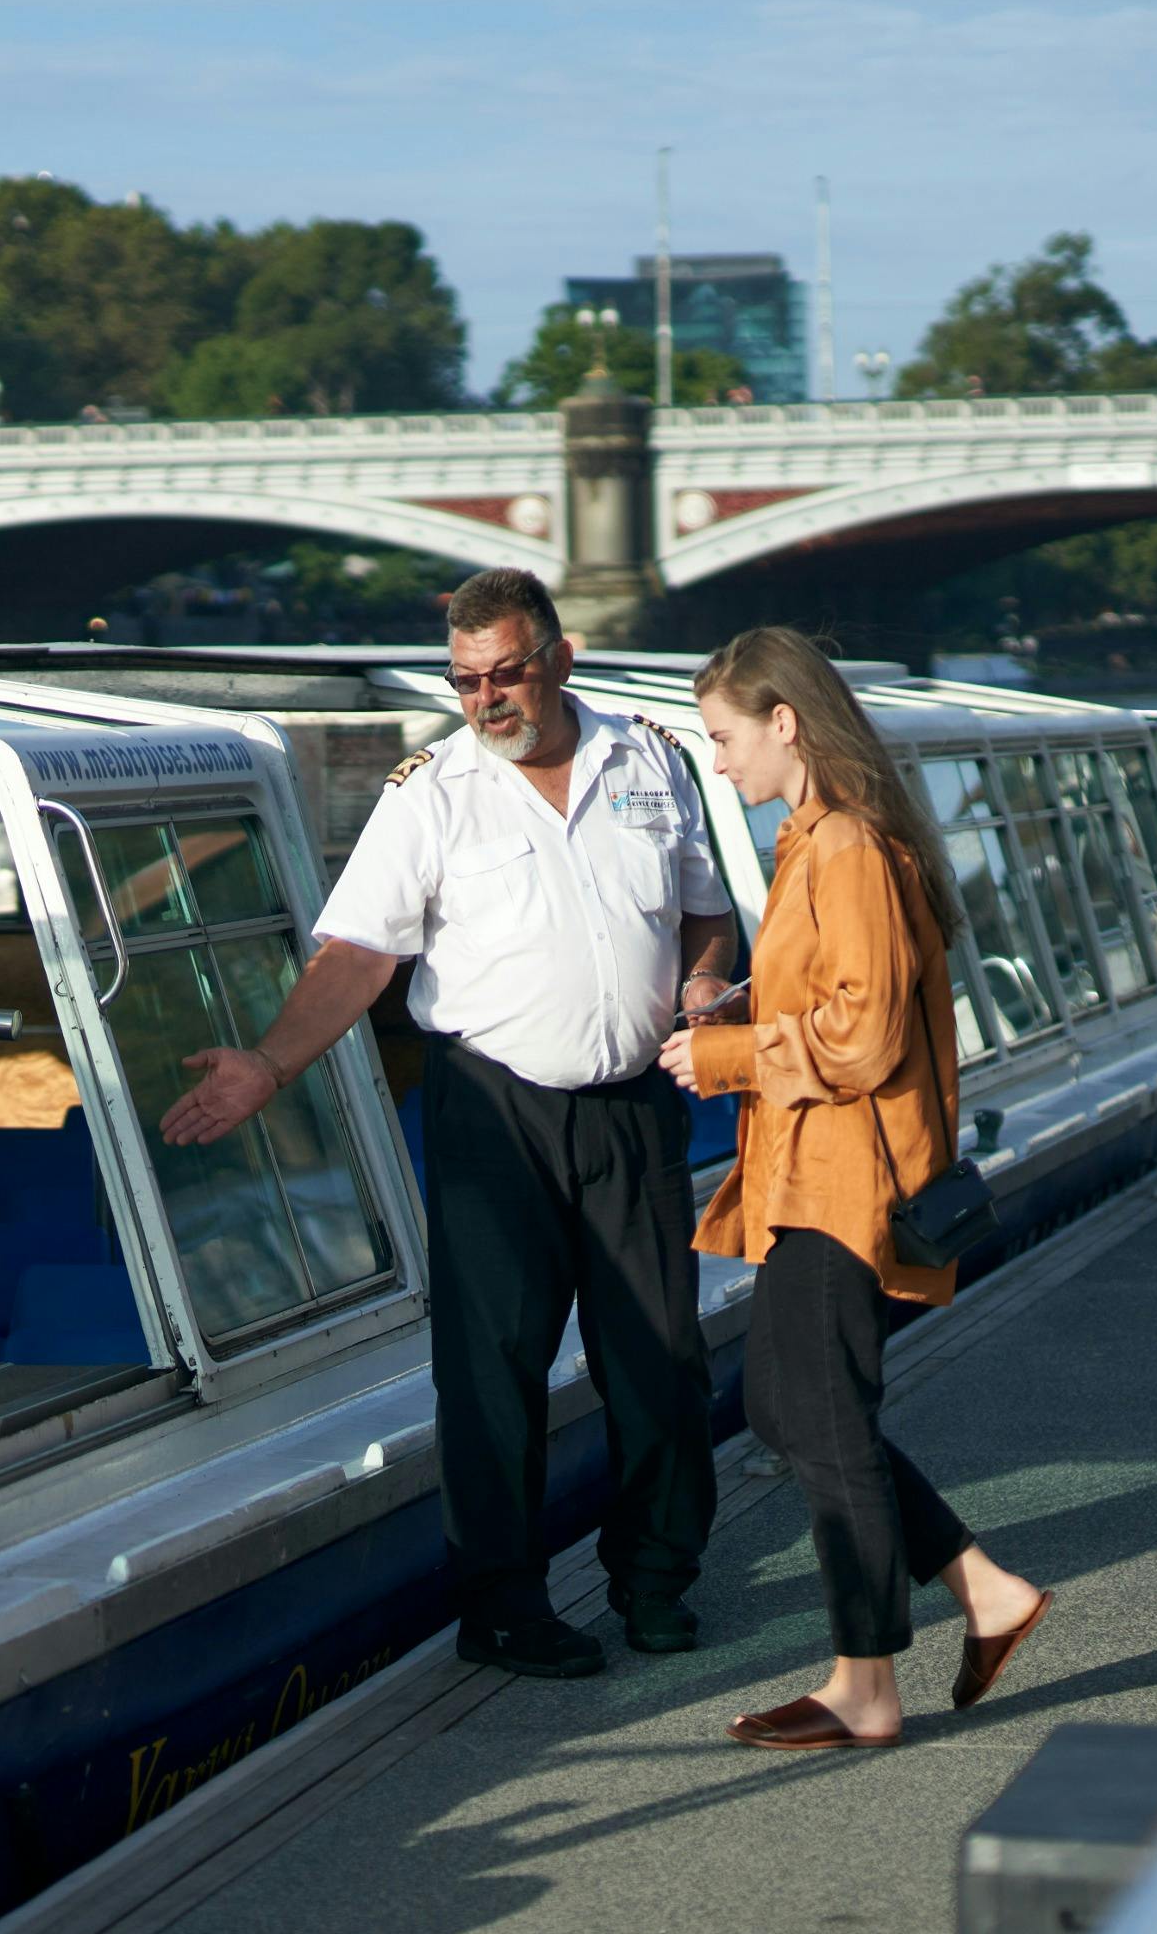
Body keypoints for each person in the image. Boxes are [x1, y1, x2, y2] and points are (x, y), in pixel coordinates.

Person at [158, 567, 734, 1678]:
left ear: (559, 660)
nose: (486, 700)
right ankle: (505, 1608)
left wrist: (706, 989)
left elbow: (706, 914)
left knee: (658, 1360)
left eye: (506, 674)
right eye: (465, 681)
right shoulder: (429, 793)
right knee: (492, 1368)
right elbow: (359, 954)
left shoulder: (653, 762)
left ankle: (657, 1585)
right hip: (492, 1109)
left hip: (630, 1109)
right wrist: (270, 1067)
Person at [658, 629, 1054, 1751]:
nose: (719, 763)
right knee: (789, 1408)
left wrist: (729, 1059)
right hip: (809, 1177)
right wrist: (738, 1011)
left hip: (850, 1179)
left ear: (786, 722)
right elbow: (838, 998)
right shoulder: (818, 841)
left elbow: (865, 1033)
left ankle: (865, 1682)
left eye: (726, 738)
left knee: (815, 1414)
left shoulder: (847, 849)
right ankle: (983, 1589)